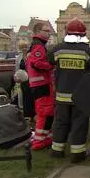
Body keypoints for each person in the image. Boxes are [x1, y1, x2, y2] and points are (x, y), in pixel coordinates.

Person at [49, 18, 90, 163]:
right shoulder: (88, 51)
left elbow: (48, 62)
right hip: (80, 97)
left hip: (62, 96)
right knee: (79, 124)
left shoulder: (58, 49)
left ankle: (57, 150)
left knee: (60, 122)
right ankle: (78, 153)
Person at [26, 22, 54, 150]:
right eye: (46, 31)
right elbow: (36, 63)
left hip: (38, 84)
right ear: (38, 32)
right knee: (44, 112)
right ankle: (39, 141)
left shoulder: (36, 45)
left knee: (46, 112)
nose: (49, 33)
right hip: (41, 84)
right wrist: (50, 66)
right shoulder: (39, 46)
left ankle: (45, 137)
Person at [15, 41, 35, 119]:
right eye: (22, 47)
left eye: (25, 47)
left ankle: (32, 114)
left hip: (31, 79)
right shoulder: (18, 58)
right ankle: (26, 115)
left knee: (31, 97)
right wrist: (16, 77)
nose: (24, 49)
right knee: (24, 97)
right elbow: (16, 68)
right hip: (23, 80)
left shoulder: (30, 55)